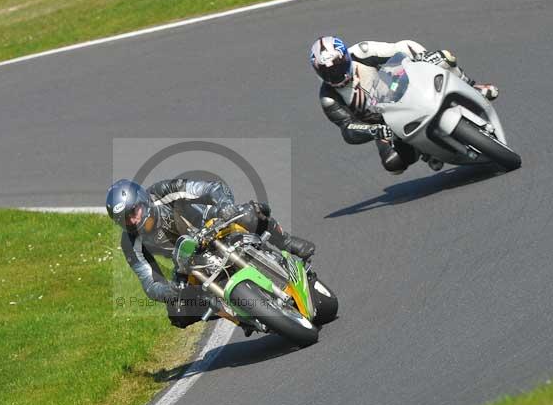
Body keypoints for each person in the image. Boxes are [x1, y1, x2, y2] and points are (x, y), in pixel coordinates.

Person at [105, 178, 315, 329]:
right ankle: (238, 314)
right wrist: (171, 291)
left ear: (143, 202)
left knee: (252, 213)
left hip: (212, 227)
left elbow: (210, 188)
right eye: (124, 219)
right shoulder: (131, 243)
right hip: (189, 263)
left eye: (133, 212)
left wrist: (224, 206)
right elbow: (150, 283)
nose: (132, 221)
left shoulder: (163, 192)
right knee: (178, 313)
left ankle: (286, 242)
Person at [310, 36, 500, 174]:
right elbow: (347, 129)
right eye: (328, 72)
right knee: (393, 164)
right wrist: (374, 131)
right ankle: (424, 150)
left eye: (337, 67)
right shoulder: (328, 97)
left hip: (400, 88)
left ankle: (471, 85)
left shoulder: (362, 51)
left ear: (346, 58)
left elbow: (400, 48)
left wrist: (423, 57)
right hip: (384, 124)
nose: (335, 75)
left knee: (445, 57)